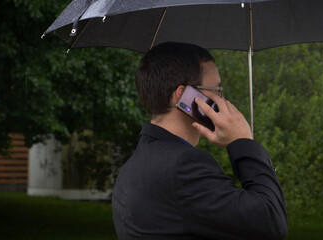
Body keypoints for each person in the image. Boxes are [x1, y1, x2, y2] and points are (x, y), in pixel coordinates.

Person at [112, 42, 288, 240]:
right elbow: (270, 221)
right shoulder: (184, 166)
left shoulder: (133, 166)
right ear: (183, 95)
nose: (222, 100)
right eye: (216, 90)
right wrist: (243, 142)